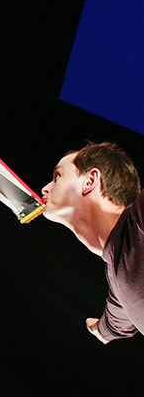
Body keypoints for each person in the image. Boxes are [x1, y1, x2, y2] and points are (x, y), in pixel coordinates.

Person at [41, 141, 144, 344]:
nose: (45, 189)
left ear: (90, 181)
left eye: (57, 177)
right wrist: (98, 329)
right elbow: (111, 327)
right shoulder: (117, 280)